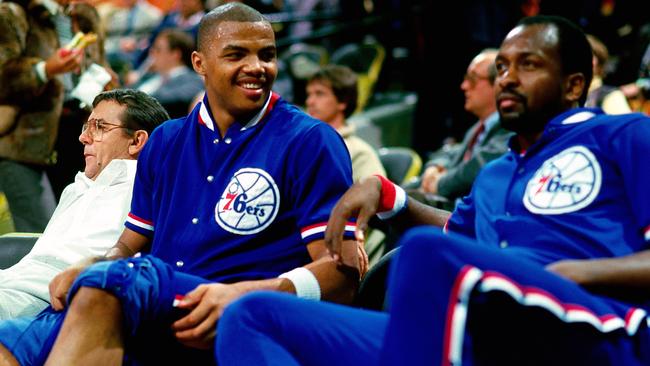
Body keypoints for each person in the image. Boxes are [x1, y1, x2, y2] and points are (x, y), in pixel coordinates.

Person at [214, 15, 650, 366]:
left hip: (597, 324)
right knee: (253, 316)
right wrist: (389, 197)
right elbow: (454, 240)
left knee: (421, 255)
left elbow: (440, 258)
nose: (507, 79)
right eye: (501, 67)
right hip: (478, 330)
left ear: (574, 84)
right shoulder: (498, 172)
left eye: (528, 65)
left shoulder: (623, 134)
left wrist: (573, 273)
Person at [0, 3, 363, 365]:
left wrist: (247, 295)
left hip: (237, 313)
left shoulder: (310, 140)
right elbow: (128, 244)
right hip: (152, 306)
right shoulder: (166, 140)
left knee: (118, 281)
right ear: (199, 63)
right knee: (10, 340)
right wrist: (93, 265)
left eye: (266, 55)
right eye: (237, 54)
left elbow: (341, 273)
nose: (256, 67)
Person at [0, 89, 169, 319]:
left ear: (137, 141)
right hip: (10, 282)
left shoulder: (146, 187)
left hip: (50, 302)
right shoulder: (77, 187)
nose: (84, 137)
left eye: (99, 127)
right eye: (86, 127)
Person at [0, 0, 94, 232]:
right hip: (23, 142)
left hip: (77, 139)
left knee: (73, 232)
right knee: (39, 233)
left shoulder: (83, 16)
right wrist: (44, 70)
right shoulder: (12, 13)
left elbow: (89, 69)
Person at [414, 49, 512, 206]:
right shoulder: (476, 129)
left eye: (472, 79)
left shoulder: (510, 128)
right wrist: (435, 166)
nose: (464, 86)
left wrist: (438, 183)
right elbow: (450, 151)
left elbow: (474, 169)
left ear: (498, 84)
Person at [306, 64, 385, 182]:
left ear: (343, 101)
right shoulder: (301, 143)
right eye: (309, 94)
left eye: (320, 94)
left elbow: (374, 196)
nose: (309, 101)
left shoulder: (360, 153)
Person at [132, 28, 204, 118]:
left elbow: (176, 100)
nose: (152, 53)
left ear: (175, 54)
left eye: (158, 49)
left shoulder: (193, 80)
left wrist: (133, 101)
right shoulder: (149, 77)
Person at [584, 34, 631, 114]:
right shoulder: (566, 97)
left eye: (588, 55)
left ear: (599, 62)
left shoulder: (610, 96)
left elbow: (627, 126)